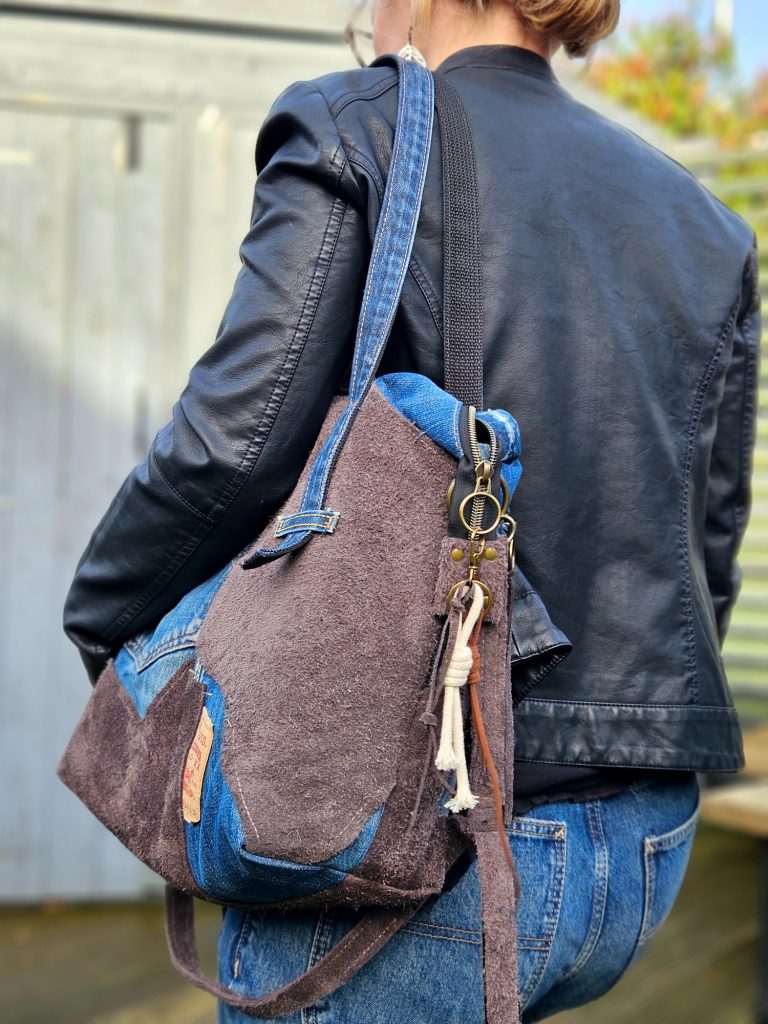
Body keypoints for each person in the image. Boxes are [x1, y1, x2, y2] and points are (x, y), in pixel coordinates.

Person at [62, 0, 761, 1020]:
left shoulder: (357, 126)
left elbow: (232, 444)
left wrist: (108, 626)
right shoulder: (701, 218)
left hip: (426, 842)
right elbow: (712, 531)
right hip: (644, 842)